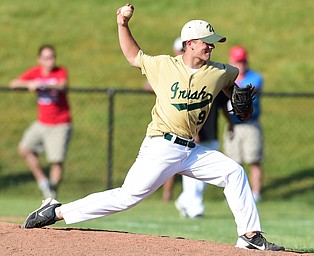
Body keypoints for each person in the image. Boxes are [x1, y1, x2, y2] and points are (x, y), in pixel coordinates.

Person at [21, 4, 284, 251]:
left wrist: (240, 104)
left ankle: (249, 237)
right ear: (190, 44)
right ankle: (56, 211)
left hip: (191, 150)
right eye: (207, 42)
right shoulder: (164, 66)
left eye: (212, 43)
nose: (211, 47)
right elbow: (134, 55)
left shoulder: (221, 71)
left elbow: (232, 92)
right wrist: (122, 23)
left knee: (234, 172)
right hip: (161, 146)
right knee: (127, 198)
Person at [9, 45, 72, 199]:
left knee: (56, 161)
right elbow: (13, 83)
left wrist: (42, 84)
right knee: (24, 149)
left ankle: (51, 194)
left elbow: (62, 84)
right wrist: (28, 84)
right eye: (46, 58)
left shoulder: (60, 71)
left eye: (52, 57)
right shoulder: (35, 72)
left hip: (60, 123)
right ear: (40, 60)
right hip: (42, 122)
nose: (50, 61)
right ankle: (43, 182)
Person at [175, 91, 232, 218]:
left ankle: (184, 200)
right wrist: (193, 132)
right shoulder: (193, 82)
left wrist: (231, 123)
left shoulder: (217, 80)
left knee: (209, 171)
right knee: (192, 172)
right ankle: (195, 208)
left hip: (211, 133)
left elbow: (223, 106)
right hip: (193, 134)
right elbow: (185, 109)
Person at [145, 36, 184, 202]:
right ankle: (59, 212)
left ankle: (179, 199)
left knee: (234, 171)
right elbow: (148, 84)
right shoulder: (168, 66)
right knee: (130, 194)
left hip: (187, 136)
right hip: (164, 133)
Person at [223, 46, 264, 202]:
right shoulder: (227, 77)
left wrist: (229, 85)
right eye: (237, 62)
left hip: (250, 124)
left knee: (254, 159)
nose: (241, 65)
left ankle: (256, 194)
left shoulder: (254, 77)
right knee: (232, 162)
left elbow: (247, 90)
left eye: (243, 61)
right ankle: (235, 194)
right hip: (233, 125)